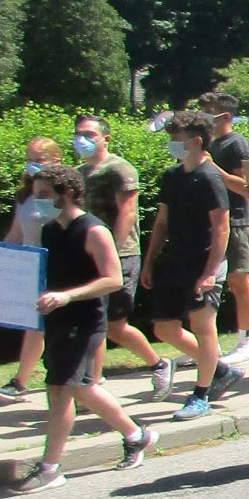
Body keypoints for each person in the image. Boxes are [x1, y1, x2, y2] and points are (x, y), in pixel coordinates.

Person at [12, 166, 158, 492]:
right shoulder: (51, 229)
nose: (38, 200)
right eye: (37, 194)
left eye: (45, 194)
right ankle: (138, 436)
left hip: (84, 321)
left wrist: (67, 296)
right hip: (59, 319)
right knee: (81, 388)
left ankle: (49, 468)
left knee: (59, 390)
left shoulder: (93, 230)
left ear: (66, 193)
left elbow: (113, 279)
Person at [141, 111, 246, 421]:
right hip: (176, 263)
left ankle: (201, 395)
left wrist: (211, 271)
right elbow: (162, 222)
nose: (172, 144)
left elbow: (222, 228)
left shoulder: (210, 178)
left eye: (177, 139)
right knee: (164, 328)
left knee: (203, 328)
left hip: (205, 264)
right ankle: (221, 370)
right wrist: (149, 261)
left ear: (197, 142)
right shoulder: (172, 177)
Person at [73, 115, 171, 398]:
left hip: (120, 254)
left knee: (114, 326)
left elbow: (127, 211)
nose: (83, 139)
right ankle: (91, 383)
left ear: (106, 138)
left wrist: (111, 253)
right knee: (94, 322)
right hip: (86, 255)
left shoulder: (119, 169)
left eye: (90, 134)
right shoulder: (78, 172)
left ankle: (158, 364)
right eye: (79, 133)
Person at [0, 138, 63, 404]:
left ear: (56, 161)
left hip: (63, 267)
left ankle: (87, 379)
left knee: (68, 328)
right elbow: (16, 234)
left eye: (39, 160)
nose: (32, 165)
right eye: (29, 159)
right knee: (34, 327)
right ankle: (20, 382)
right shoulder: (25, 197)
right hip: (34, 268)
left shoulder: (65, 193)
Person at [197, 92, 249, 366]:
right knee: (208, 282)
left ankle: (245, 342)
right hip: (211, 222)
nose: (201, 116)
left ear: (224, 115)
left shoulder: (238, 145)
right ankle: (203, 345)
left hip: (236, 221)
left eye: (207, 111)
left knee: (238, 281)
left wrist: (214, 169)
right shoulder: (206, 144)